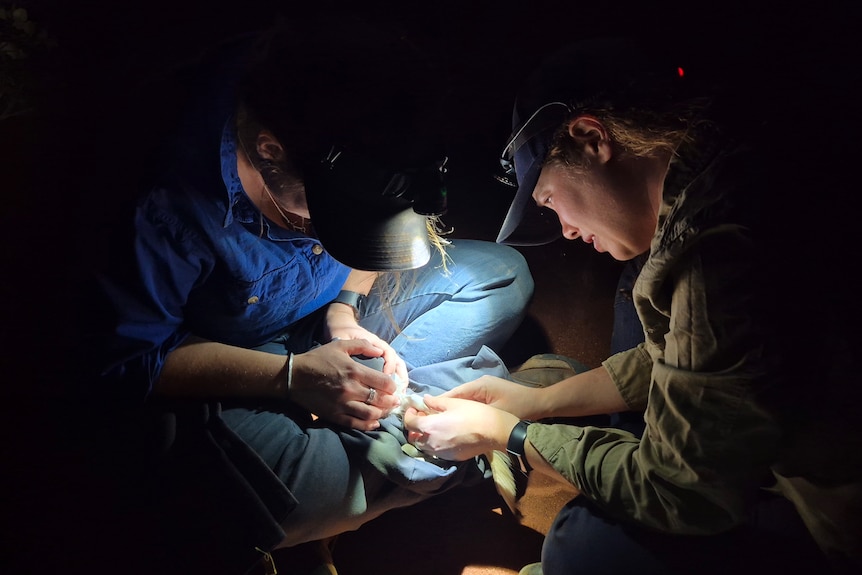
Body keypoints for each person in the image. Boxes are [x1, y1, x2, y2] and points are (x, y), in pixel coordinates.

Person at [60, 15, 534, 575]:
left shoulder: (367, 105)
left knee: (500, 274)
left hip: (319, 327)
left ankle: (396, 430)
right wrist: (292, 377)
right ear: (271, 151)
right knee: (270, 498)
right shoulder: (162, 200)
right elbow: (126, 361)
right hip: (222, 368)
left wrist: (345, 315)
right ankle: (420, 439)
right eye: (332, 220)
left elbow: (380, 235)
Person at [403, 37, 862, 574]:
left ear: (591, 138)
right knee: (631, 295)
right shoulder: (722, 179)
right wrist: (530, 403)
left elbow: (680, 492)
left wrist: (507, 434)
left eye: (548, 200)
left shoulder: (721, 252)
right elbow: (678, 356)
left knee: (582, 546)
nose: (568, 231)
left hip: (835, 525)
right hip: (777, 453)